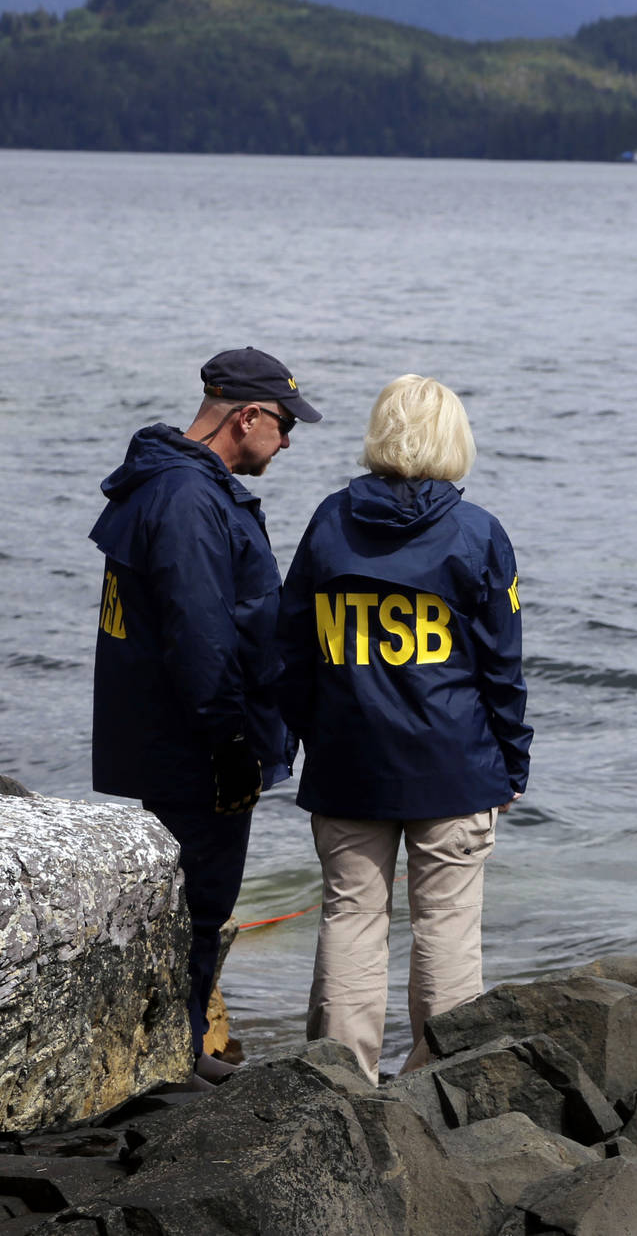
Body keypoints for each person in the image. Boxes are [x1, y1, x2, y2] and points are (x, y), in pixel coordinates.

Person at [278, 374, 530, 1081]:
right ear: (455, 440)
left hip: (348, 761)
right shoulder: (478, 533)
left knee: (352, 916)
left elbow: (288, 646)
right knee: (447, 926)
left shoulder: (329, 521)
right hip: (453, 763)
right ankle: (440, 1085)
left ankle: (337, 1080)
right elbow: (501, 668)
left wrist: (311, 734)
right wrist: (512, 762)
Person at [90, 346, 323, 1083]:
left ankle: (178, 1050)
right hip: (195, 745)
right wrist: (228, 741)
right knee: (195, 907)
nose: (287, 441)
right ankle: (170, 1063)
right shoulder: (188, 498)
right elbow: (200, 633)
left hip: (168, 736)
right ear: (246, 415)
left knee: (186, 905)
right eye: (283, 424)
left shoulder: (168, 482)